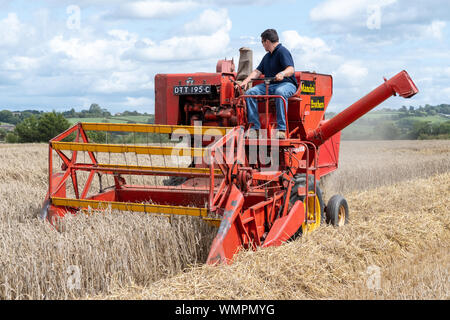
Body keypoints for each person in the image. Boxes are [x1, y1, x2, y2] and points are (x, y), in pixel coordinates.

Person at [240, 29, 298, 139]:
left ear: (267, 41)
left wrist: (282, 73)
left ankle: (281, 129)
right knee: (250, 93)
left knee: (279, 92)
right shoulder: (267, 57)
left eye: (262, 42)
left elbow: (291, 69)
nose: (262, 45)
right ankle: (255, 128)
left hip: (287, 84)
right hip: (270, 85)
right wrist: (246, 81)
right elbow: (257, 72)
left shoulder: (282, 51)